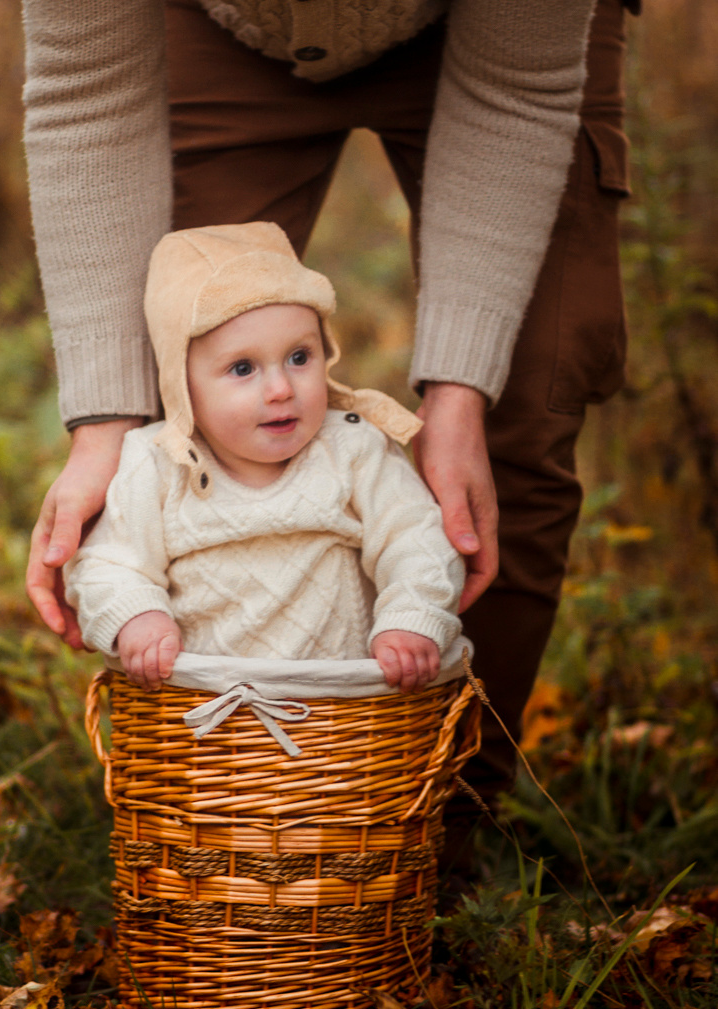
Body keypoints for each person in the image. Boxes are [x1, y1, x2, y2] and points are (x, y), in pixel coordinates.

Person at [22, 0, 632, 798]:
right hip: (215, 27)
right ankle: (217, 805)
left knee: (522, 402)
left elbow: (515, 91)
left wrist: (459, 396)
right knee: (181, 395)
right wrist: (105, 423)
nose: (280, 390)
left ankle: (435, 819)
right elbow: (83, 91)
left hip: (505, 53)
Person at [65, 222, 464, 693]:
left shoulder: (353, 449)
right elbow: (109, 563)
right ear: (180, 384)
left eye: (299, 357)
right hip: (205, 716)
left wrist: (410, 617)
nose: (280, 390)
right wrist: (137, 615)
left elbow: (415, 539)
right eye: (242, 368)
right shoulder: (156, 465)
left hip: (348, 710)